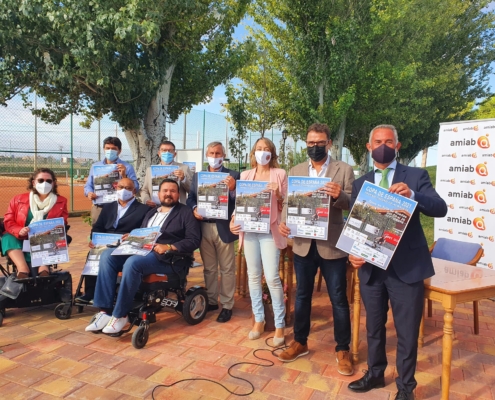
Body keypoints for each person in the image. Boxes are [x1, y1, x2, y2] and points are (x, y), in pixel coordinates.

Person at [347, 125, 447, 400]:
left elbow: (440, 208)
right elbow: (354, 224)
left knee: (406, 331)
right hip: (371, 267)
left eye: (389, 141)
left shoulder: (415, 176)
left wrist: (414, 196)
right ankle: (375, 374)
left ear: (397, 146)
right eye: (378, 141)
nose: (383, 145)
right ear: (369, 147)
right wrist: (353, 253)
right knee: (374, 327)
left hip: (406, 268)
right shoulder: (361, 183)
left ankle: (406, 388)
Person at [278, 123, 355, 377]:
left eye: (319, 143)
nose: (315, 147)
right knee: (302, 296)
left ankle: (343, 349)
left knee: (338, 299)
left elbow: (351, 204)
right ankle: (300, 342)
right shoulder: (297, 170)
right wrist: (284, 222)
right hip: (303, 244)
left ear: (329, 143)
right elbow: (290, 203)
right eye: (310, 143)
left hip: (332, 245)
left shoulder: (343, 170)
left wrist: (339, 196)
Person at [85, 179, 201, 334]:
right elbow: (144, 233)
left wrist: (169, 246)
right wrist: (132, 236)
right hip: (143, 251)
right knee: (107, 255)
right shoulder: (152, 212)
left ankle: (121, 314)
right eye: (165, 191)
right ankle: (105, 311)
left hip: (168, 258)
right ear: (158, 194)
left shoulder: (185, 212)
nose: (168, 194)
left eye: (173, 191)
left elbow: (193, 240)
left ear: (178, 194)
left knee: (133, 263)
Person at [229, 138, 287, 345]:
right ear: (253, 153)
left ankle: (280, 325)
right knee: (253, 276)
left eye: (267, 149)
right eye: (259, 149)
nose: (263, 152)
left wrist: (277, 193)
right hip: (250, 230)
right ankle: (259, 321)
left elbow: (287, 204)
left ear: (272, 153)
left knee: (271, 277)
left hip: (270, 231)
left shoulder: (280, 174)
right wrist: (233, 220)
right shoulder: (245, 175)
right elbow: (240, 203)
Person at [187, 141, 240, 323]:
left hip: (223, 227)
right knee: (209, 268)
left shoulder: (233, 175)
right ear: (206, 155)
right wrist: (194, 208)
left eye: (218, 153)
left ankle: (227, 305)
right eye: (211, 153)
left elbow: (239, 200)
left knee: (226, 269)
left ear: (223, 156)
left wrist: (233, 189)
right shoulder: (198, 176)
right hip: (203, 226)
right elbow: (191, 197)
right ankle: (211, 300)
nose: (214, 156)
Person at [75, 177, 151, 304]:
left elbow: (144, 231)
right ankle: (90, 293)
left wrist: (131, 236)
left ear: (134, 191)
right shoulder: (108, 207)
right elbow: (98, 226)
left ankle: (109, 294)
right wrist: (94, 239)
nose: (123, 190)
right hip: (106, 241)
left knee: (108, 256)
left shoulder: (144, 210)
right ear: (116, 188)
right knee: (93, 254)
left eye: (128, 188)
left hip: (126, 244)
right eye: (120, 187)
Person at [2, 168, 68, 278]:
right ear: (34, 182)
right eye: (41, 180)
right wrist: (20, 230)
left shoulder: (61, 201)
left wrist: (51, 230)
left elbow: (63, 222)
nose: (44, 183)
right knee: (7, 238)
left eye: (48, 181)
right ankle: (22, 268)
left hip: (45, 237)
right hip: (21, 237)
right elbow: (8, 221)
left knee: (54, 235)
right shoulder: (18, 199)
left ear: (53, 183)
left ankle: (44, 266)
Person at [84, 136, 139, 225]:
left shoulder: (127, 167)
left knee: (116, 233)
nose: (110, 151)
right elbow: (88, 185)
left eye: (113, 149)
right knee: (97, 233)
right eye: (107, 148)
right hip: (99, 207)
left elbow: (136, 187)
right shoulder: (95, 166)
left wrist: (124, 176)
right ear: (104, 149)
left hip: (118, 207)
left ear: (119, 151)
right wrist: (89, 193)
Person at [141, 140, 193, 205]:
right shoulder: (150, 170)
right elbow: (144, 190)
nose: (167, 153)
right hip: (155, 207)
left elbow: (192, 191)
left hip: (178, 209)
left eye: (170, 151)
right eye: (164, 150)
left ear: (175, 154)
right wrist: (146, 200)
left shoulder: (184, 168)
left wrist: (183, 179)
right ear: (159, 153)